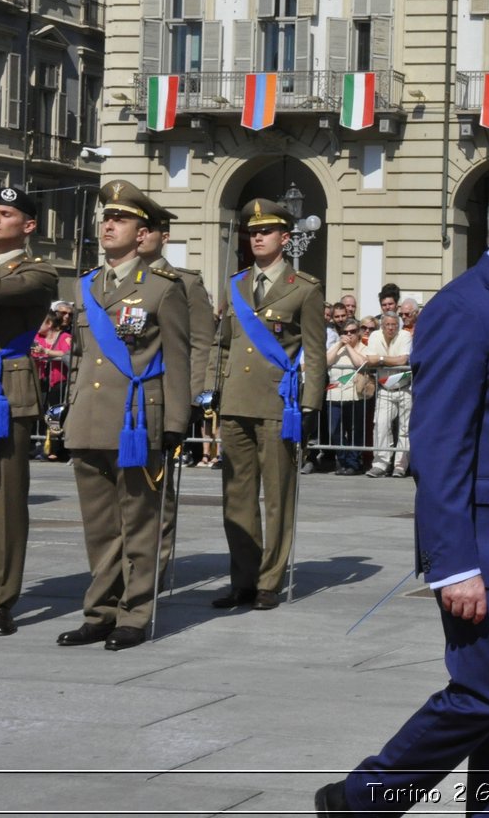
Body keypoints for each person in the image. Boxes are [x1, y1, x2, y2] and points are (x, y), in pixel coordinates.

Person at [317, 171, 489, 816]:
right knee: (482, 697)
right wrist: (454, 562)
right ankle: (361, 801)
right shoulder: (467, 307)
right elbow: (440, 447)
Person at [55, 181, 190, 652]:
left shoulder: (161, 289)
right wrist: (68, 412)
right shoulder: (86, 284)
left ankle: (134, 614)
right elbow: (79, 358)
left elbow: (177, 357)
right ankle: (99, 612)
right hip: (89, 419)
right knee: (99, 528)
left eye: (122, 220)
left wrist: (175, 423)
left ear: (143, 233)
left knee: (139, 523)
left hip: (136, 421)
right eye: (106, 218)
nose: (109, 225)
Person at [211, 199, 327, 612]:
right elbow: (223, 345)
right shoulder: (236, 284)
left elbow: (314, 352)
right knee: (237, 496)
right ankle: (242, 579)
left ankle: (268, 580)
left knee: (277, 497)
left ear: (285, 238)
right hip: (236, 402)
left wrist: (311, 404)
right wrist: (213, 392)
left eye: (266, 231)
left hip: (280, 405)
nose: (257, 237)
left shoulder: (305, 288)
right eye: (253, 231)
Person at [0, 187, 56, 637]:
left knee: (7, 501)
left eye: (4, 214)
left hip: (8, 390)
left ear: (27, 225)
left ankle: (3, 600)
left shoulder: (40, 272)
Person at [136, 200, 218, 585]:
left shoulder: (184, 283)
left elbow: (200, 343)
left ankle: (155, 568)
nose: (139, 235)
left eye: (147, 229)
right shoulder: (111, 281)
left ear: (162, 236)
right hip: (121, 401)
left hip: (163, 398)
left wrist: (189, 399)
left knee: (157, 490)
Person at [364, 312, 413, 478]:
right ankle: (380, 464)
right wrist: (386, 359)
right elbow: (369, 360)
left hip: (404, 387)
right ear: (382, 326)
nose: (391, 328)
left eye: (394, 325)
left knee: (405, 430)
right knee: (381, 426)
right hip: (385, 388)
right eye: (388, 325)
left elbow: (403, 361)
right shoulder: (375, 336)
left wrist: (381, 359)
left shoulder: (405, 335)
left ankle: (400, 465)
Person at [325, 321, 370, 475]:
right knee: (334, 430)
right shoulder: (335, 347)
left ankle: (353, 463)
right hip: (334, 395)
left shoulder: (363, 348)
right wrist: (339, 345)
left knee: (354, 432)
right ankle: (342, 461)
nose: (348, 335)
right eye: (345, 332)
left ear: (358, 332)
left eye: (352, 331)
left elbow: (361, 363)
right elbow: (326, 362)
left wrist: (349, 347)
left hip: (354, 396)